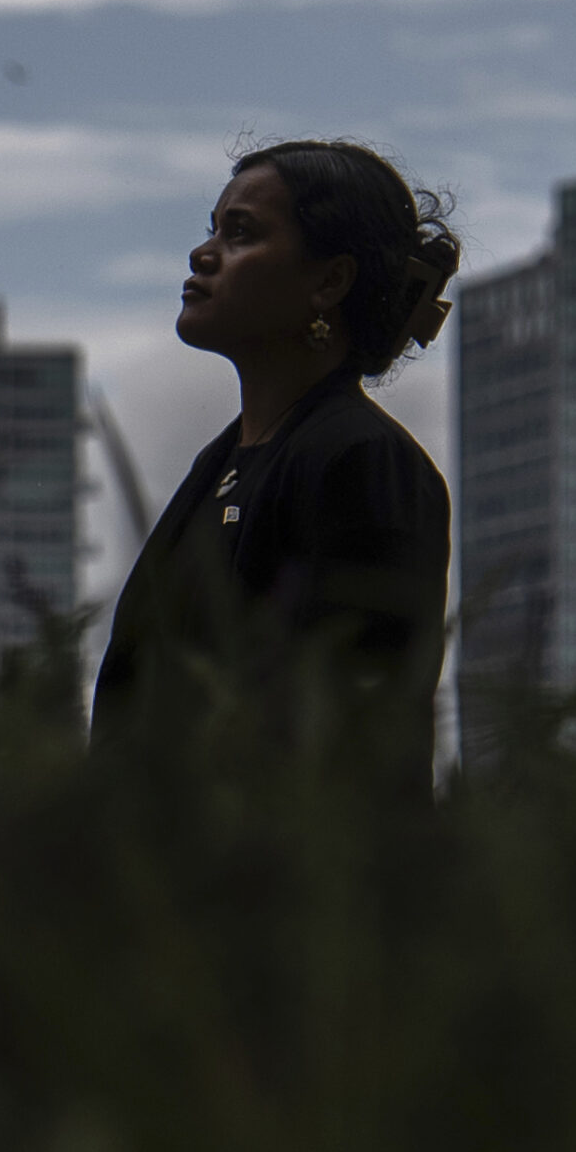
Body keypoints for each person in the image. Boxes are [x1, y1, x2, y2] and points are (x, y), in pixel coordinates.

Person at [90, 140, 458, 772]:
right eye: (212, 230)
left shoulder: (365, 462)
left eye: (241, 233)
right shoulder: (221, 463)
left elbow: (354, 734)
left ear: (329, 281)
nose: (203, 254)